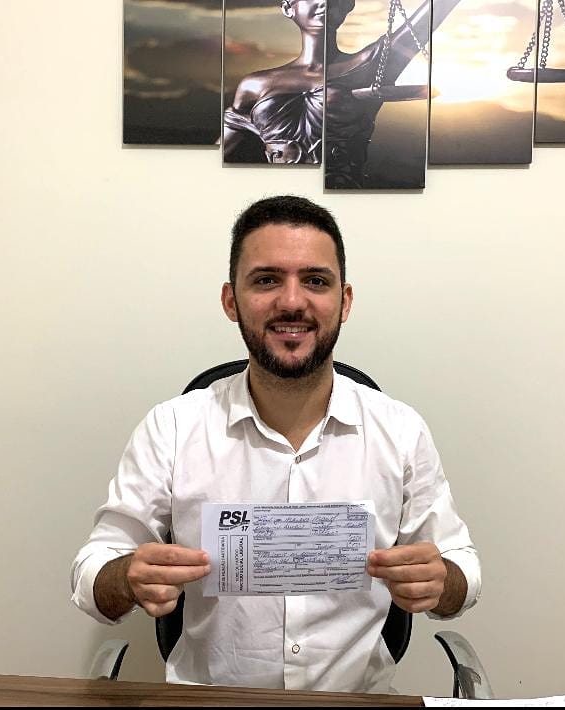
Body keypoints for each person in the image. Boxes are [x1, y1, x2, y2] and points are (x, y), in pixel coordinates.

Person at [70, 195, 481, 693]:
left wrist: (441, 581)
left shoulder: (400, 431)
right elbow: (92, 575)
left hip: (355, 702)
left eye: (316, 281)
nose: (291, 302)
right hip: (213, 703)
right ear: (231, 301)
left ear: (345, 301)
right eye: (266, 280)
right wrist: (127, 577)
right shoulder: (172, 428)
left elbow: (463, 571)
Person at [222, 0, 462, 187]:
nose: (324, 2)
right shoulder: (255, 84)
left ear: (348, 4)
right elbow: (221, 151)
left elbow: (431, 15)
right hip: (279, 200)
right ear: (288, 7)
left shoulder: (369, 65)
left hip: (345, 196)